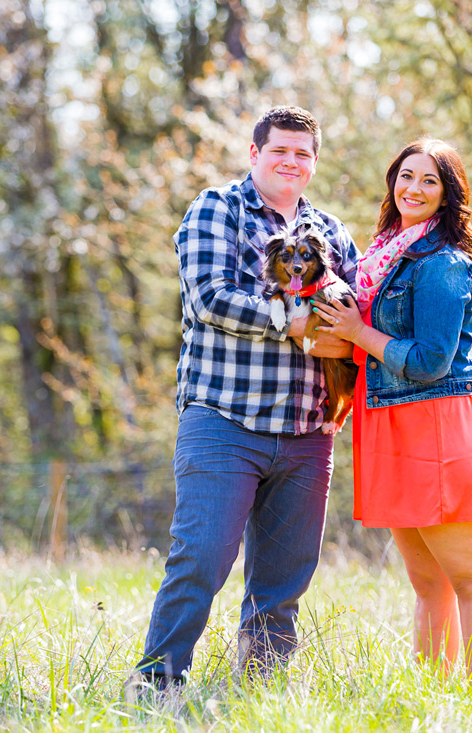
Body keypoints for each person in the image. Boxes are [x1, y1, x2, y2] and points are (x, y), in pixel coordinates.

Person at [129, 106, 359, 690]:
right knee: (200, 560)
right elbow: (210, 298)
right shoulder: (217, 208)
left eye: (302, 153)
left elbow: (357, 310)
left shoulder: (331, 233)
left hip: (307, 433)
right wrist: (294, 321)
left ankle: (261, 696)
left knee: (284, 580)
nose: (291, 161)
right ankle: (156, 685)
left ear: (314, 162)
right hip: (223, 421)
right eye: (279, 150)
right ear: (255, 154)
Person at [313, 138, 472, 681]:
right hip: (388, 424)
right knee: (428, 585)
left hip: (437, 425)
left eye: (429, 181)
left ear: (448, 195)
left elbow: (430, 361)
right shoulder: (385, 253)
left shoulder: (443, 262)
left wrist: (359, 331)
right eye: (406, 176)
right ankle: (431, 696)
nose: (413, 189)